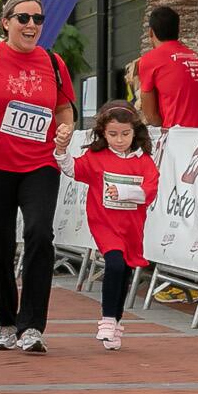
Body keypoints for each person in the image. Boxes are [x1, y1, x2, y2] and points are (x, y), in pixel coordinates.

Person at [0, 0, 76, 353]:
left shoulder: (53, 62)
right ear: (5, 22)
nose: (31, 25)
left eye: (38, 19)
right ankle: (6, 321)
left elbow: (64, 108)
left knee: (40, 234)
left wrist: (65, 128)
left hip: (40, 164)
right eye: (23, 18)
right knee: (1, 248)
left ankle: (33, 325)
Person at [54, 100, 158, 351]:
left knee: (125, 270)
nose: (119, 139)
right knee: (114, 263)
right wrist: (60, 149)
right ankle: (107, 320)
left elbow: (150, 191)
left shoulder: (144, 162)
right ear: (102, 133)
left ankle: (115, 322)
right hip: (104, 224)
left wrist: (122, 192)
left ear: (135, 133)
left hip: (132, 227)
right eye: (113, 134)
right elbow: (72, 169)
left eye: (125, 134)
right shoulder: (97, 156)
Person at [135, 6, 198, 130]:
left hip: (180, 135)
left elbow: (151, 116)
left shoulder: (149, 59)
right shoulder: (193, 56)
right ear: (178, 30)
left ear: (151, 32)